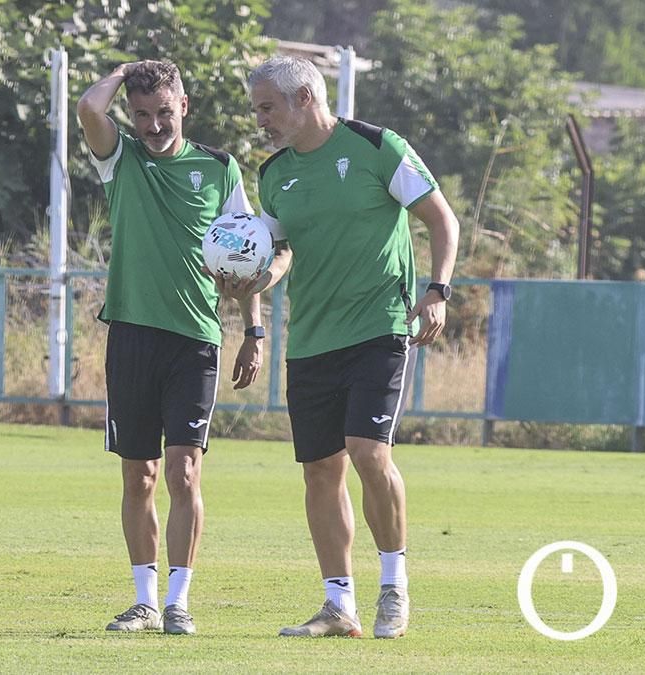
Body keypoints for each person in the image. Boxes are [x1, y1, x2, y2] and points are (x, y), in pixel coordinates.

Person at [218, 55, 460, 639]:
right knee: (321, 471)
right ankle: (337, 606)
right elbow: (279, 251)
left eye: (267, 108)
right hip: (311, 339)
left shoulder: (378, 147)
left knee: (369, 453)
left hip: (379, 324)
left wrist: (438, 290)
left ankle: (394, 588)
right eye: (257, 109)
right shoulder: (274, 174)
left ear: (305, 99)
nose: (261, 120)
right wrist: (255, 284)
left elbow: (441, 218)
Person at [76, 60, 264, 636]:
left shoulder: (218, 167)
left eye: (164, 111)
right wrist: (126, 69)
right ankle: (145, 601)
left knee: (184, 474)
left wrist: (253, 330)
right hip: (131, 334)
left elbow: (246, 253)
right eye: (142, 115)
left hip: (197, 339)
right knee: (141, 477)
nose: (154, 125)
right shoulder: (121, 159)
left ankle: (179, 601)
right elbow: (88, 108)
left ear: (184, 105)